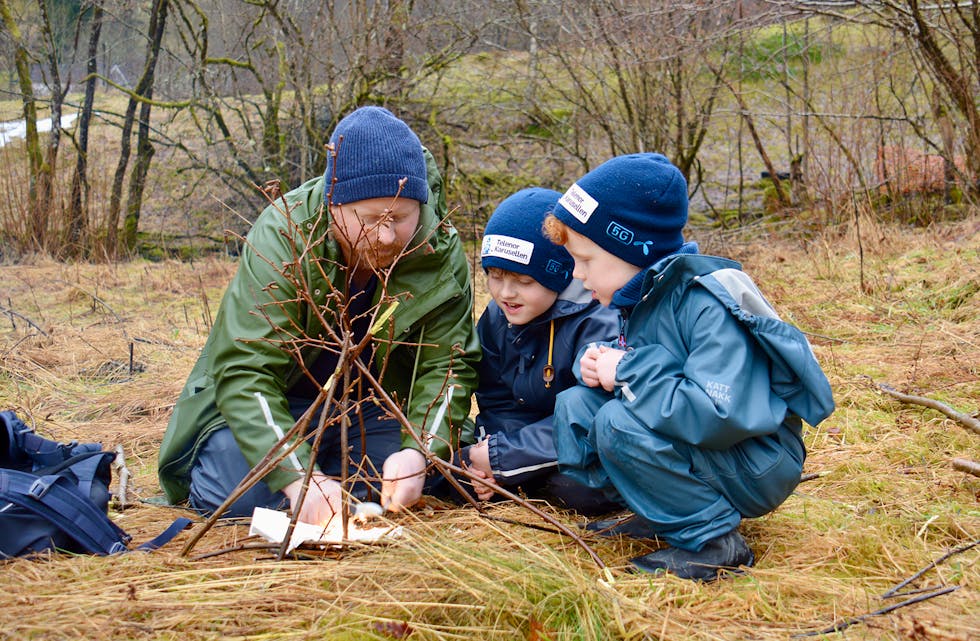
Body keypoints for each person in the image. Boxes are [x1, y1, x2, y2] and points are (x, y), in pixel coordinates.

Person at [158, 106, 480, 526]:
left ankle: (341, 477)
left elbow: (449, 365)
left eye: (400, 218)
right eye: (371, 220)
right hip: (282, 404)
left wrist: (419, 452)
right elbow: (246, 370)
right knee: (240, 494)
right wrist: (295, 476)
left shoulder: (438, 249)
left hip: (371, 406)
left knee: (435, 476)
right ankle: (314, 477)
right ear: (333, 204)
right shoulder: (284, 235)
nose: (386, 236)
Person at [542, 153, 835, 581]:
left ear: (631, 249)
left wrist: (626, 371)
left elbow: (718, 413)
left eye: (586, 260)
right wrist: (603, 361)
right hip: (715, 449)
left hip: (756, 459)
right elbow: (663, 366)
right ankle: (664, 512)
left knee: (616, 423)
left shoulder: (704, 304)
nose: (578, 275)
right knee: (578, 405)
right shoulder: (645, 296)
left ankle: (714, 543)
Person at [443, 188, 620, 514]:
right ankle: (511, 477)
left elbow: (592, 415)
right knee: (449, 473)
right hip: (523, 443)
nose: (505, 293)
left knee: (581, 491)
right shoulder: (498, 318)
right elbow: (496, 399)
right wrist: (489, 458)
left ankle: (518, 478)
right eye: (494, 276)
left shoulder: (598, 319)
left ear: (557, 273)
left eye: (523, 281)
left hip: (583, 445)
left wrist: (502, 458)